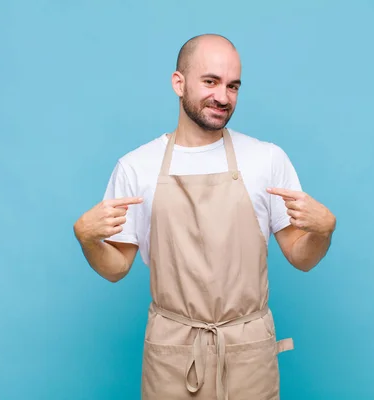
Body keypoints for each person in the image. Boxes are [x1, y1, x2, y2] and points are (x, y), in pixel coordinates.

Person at [73, 33, 336, 400]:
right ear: (178, 83)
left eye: (233, 86)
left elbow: (300, 256)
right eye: (210, 82)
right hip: (174, 354)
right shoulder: (137, 167)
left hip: (247, 352)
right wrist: (86, 239)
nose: (223, 97)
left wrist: (324, 232)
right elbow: (116, 267)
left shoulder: (266, 159)